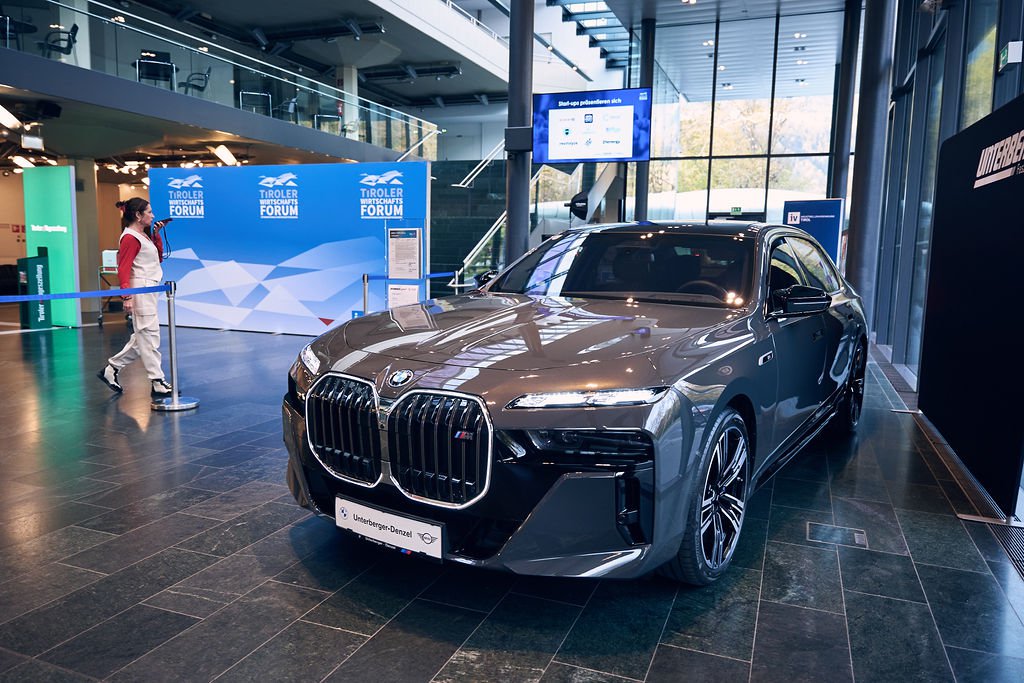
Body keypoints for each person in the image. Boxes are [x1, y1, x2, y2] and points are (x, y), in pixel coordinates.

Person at [96, 197, 174, 396]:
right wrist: (127, 296)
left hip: (148, 289)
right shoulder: (130, 237)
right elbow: (123, 268)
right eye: (149, 212)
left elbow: (157, 259)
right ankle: (157, 380)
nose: (153, 215)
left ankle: (111, 368)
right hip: (140, 290)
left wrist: (156, 234)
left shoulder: (142, 235)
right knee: (149, 336)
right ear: (138, 215)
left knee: (143, 337)